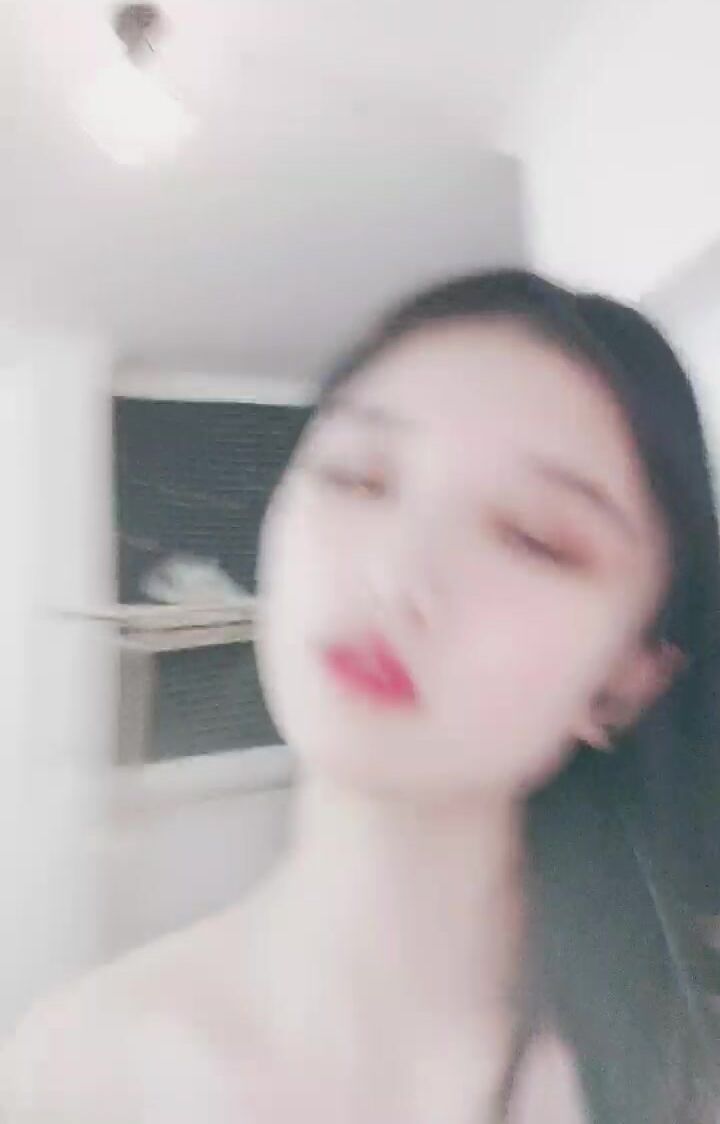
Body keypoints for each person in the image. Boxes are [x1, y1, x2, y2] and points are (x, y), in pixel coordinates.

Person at [1, 269, 718, 1123]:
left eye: (532, 536)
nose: (397, 575)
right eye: (357, 478)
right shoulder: (72, 1072)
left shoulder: (692, 1072)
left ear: (626, 681)